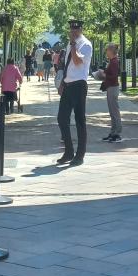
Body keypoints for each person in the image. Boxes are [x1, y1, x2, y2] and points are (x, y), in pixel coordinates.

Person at [56, 19, 92, 166]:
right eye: (71, 30)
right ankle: (69, 151)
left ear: (81, 30)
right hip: (68, 85)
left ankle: (80, 154)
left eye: (76, 30)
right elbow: (68, 65)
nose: (73, 32)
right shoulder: (70, 44)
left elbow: (77, 62)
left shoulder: (85, 44)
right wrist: (63, 82)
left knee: (79, 120)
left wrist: (72, 44)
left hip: (79, 85)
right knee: (61, 118)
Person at [95, 43, 122, 142]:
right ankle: (113, 132)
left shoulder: (114, 62)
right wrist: (104, 73)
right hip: (111, 87)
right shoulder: (112, 61)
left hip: (113, 88)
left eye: (107, 50)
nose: (106, 52)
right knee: (112, 111)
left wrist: (104, 74)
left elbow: (114, 76)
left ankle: (117, 133)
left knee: (114, 111)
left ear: (111, 51)